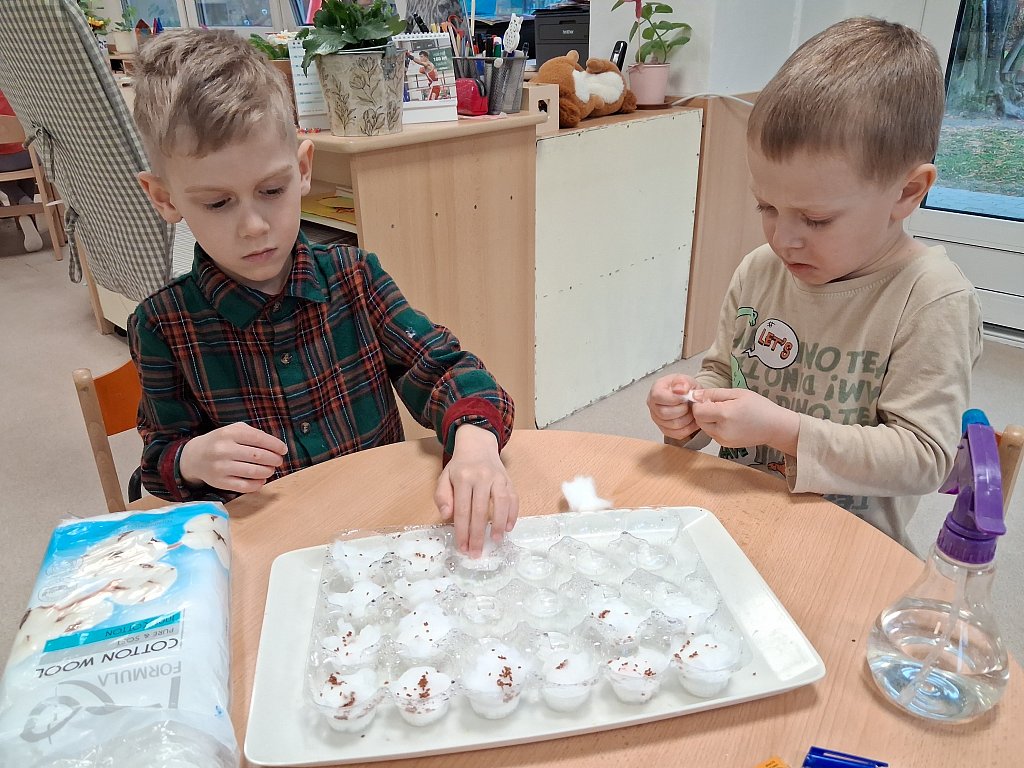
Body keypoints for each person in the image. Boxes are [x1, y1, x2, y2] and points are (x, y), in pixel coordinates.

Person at [128, 29, 517, 556]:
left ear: (303, 169)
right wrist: (192, 459)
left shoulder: (355, 277)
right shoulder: (161, 326)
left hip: (381, 534)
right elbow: (157, 462)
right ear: (164, 198)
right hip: (271, 551)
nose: (254, 226)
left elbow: (446, 369)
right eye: (217, 203)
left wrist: (474, 439)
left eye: (272, 190)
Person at [647, 17, 983, 549]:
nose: (783, 239)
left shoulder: (931, 300)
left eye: (816, 219)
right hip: (735, 524)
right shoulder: (760, 270)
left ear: (907, 193)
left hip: (847, 547)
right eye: (766, 207)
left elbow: (923, 459)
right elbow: (722, 372)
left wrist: (784, 430)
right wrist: (687, 409)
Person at [0, 90, 43, 253]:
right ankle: (28, 213)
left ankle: (22, 201)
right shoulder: (16, 89)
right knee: (27, 165)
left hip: (3, 163)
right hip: (30, 157)